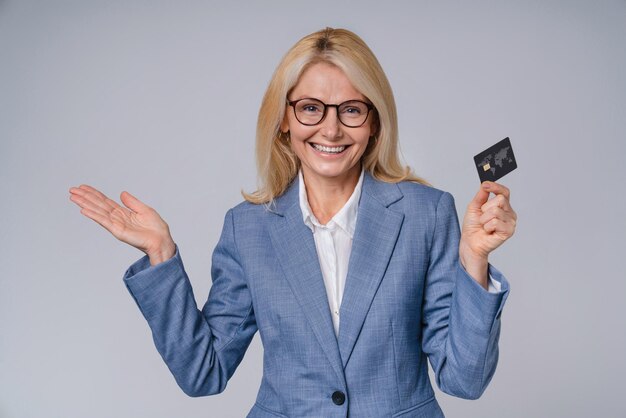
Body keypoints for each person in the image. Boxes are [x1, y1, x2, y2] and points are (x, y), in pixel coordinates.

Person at [69, 27, 516, 417]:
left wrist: (474, 258)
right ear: (284, 119)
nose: (331, 129)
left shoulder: (427, 214)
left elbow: (464, 380)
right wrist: (161, 257)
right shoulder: (247, 229)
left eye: (352, 109)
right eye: (310, 108)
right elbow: (203, 372)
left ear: (375, 122)